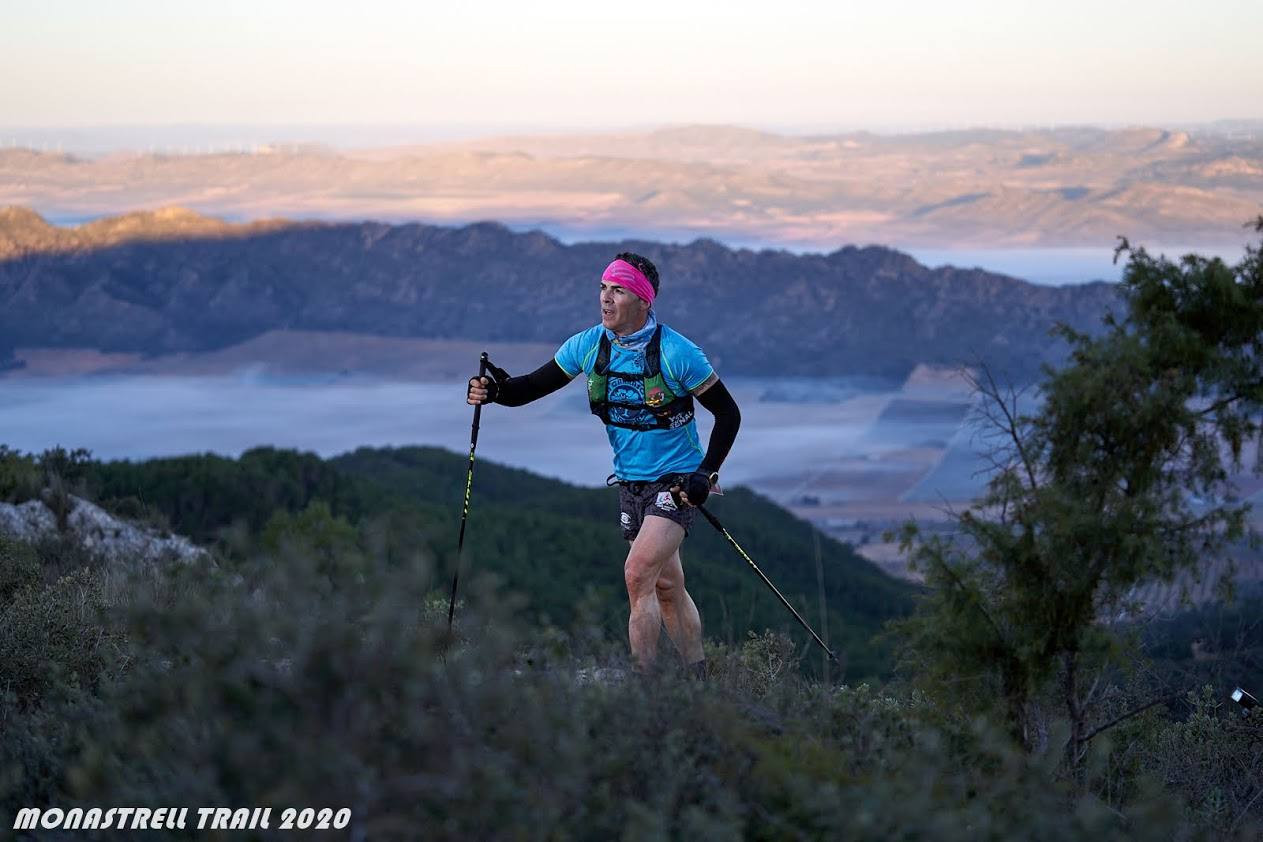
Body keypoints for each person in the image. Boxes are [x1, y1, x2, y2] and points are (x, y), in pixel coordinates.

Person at [466, 252, 741, 675]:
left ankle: (644, 693)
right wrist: (493, 389)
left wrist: (704, 474)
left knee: (637, 575)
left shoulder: (677, 353)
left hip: (677, 484)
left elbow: (728, 414)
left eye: (619, 290)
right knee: (667, 586)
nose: (606, 299)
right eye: (602, 288)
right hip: (630, 484)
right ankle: (698, 679)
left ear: (644, 301)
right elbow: (527, 390)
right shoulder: (587, 345)